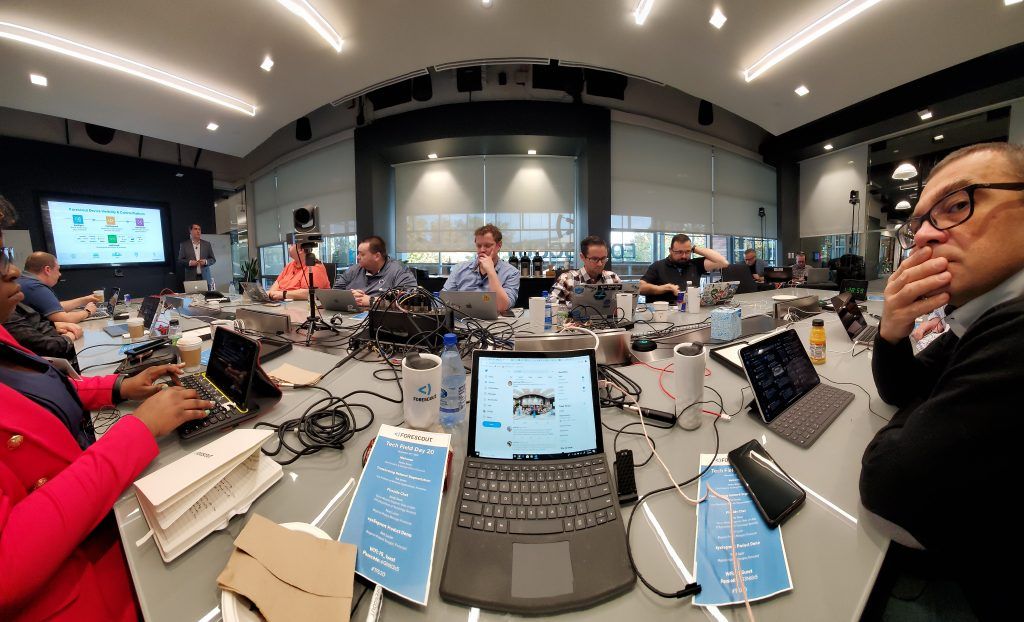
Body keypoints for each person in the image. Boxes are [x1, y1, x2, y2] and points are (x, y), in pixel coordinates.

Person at [0, 196, 214, 621]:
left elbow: (43, 392)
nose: (10, 269)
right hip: (89, 582)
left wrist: (120, 387)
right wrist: (139, 430)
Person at [860, 142, 1024, 618]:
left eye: (956, 206)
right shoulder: (979, 314)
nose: (924, 237)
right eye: (918, 225)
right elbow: (902, 390)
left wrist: (924, 407)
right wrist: (892, 332)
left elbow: (889, 483)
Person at [442, 224, 520, 312]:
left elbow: (502, 307)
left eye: (487, 245)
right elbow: (442, 300)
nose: (482, 250)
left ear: (499, 245)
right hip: (463, 318)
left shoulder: (512, 273)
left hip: (494, 320)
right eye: (479, 246)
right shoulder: (459, 269)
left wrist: (491, 271)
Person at [638, 234, 728, 303]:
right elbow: (640, 288)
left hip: (689, 311)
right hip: (663, 314)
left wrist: (694, 248)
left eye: (687, 252)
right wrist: (664, 288)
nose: (684, 256)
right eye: (679, 252)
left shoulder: (695, 264)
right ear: (670, 250)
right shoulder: (658, 266)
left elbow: (723, 262)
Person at [16, 252, 102, 324]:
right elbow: (65, 319)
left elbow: (54, 307)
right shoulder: (36, 287)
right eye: (58, 269)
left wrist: (84, 300)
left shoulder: (24, 282)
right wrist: (87, 312)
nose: (60, 274)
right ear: (47, 270)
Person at [334, 235, 417, 306]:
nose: (358, 257)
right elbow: (333, 294)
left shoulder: (399, 271)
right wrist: (348, 297)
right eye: (358, 253)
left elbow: (408, 300)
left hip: (382, 317)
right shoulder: (353, 270)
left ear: (377, 256)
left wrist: (372, 301)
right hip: (350, 315)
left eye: (362, 254)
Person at [2, 302, 82, 370]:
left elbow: (33, 322)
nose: (21, 294)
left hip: (54, 357)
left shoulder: (11, 303)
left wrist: (54, 325)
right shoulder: (5, 312)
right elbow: (45, 347)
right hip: (48, 368)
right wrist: (68, 338)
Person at [548, 235, 621, 306]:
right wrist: (576, 306)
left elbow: (622, 303)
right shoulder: (567, 279)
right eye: (594, 259)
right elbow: (550, 303)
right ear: (582, 257)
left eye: (603, 259)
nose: (600, 264)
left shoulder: (613, 278)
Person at [266, 243, 331, 301]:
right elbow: (277, 283)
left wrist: (283, 294)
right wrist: (270, 294)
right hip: (281, 303)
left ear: (301, 250)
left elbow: (309, 293)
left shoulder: (314, 267)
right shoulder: (289, 265)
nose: (289, 247)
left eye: (292, 245)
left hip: (301, 306)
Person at [176, 223, 216, 288]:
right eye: (195, 229)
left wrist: (206, 262)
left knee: (206, 294)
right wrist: (189, 262)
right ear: (190, 231)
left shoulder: (207, 244)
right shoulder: (184, 245)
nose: (198, 231)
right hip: (191, 278)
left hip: (205, 278)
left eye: (199, 229)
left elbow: (213, 259)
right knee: (192, 295)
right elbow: (180, 261)